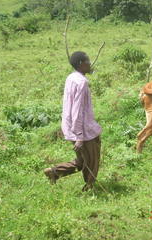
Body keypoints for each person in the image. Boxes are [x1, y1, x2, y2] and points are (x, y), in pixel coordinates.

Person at [44, 51, 102, 192]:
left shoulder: (71, 78)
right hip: (82, 129)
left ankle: (54, 172)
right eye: (88, 61)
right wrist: (80, 137)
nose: (90, 63)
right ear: (81, 64)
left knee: (82, 161)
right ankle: (89, 188)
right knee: (92, 159)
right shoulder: (81, 82)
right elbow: (78, 111)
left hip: (70, 126)